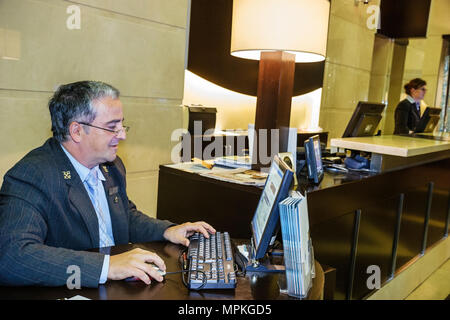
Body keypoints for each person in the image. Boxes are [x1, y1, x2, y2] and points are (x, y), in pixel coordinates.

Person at [0, 81, 215, 288]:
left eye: (122, 125)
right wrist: (106, 266)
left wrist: (167, 230)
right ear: (76, 131)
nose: (122, 135)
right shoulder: (33, 175)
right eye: (112, 127)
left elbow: (124, 216)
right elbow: (12, 256)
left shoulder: (111, 165)